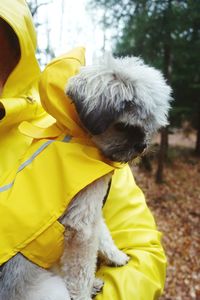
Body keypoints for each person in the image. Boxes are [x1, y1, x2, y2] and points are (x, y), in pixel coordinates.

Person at [0, 0, 167, 299]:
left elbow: (140, 254)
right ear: (97, 114)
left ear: (19, 57)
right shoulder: (71, 148)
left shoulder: (77, 145)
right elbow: (81, 229)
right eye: (125, 129)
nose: (139, 148)